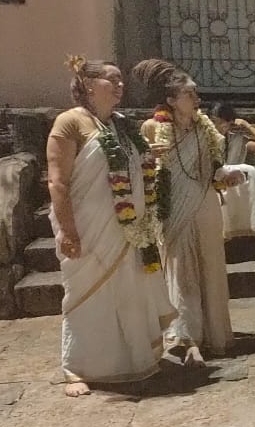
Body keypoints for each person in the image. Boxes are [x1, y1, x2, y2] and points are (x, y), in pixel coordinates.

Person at [47, 56, 177, 397]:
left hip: (129, 227)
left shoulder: (121, 124)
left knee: (130, 290)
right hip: (89, 225)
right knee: (87, 294)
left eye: (121, 81)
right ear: (88, 85)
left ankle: (134, 358)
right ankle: (77, 367)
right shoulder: (69, 122)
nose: (120, 86)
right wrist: (68, 230)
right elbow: (58, 182)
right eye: (112, 80)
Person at [134, 59, 245, 368]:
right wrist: (146, 158)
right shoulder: (152, 127)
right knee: (182, 273)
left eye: (196, 93)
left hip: (205, 202)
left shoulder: (203, 127)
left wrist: (225, 176)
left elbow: (211, 167)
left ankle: (216, 335)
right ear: (171, 100)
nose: (197, 99)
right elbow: (141, 171)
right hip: (173, 206)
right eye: (190, 94)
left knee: (211, 267)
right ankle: (186, 339)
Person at [208, 102, 255, 238]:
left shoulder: (236, 136)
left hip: (234, 180)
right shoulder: (204, 136)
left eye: (225, 122)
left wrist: (247, 126)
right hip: (212, 179)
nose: (221, 126)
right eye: (217, 122)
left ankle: (247, 229)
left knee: (248, 172)